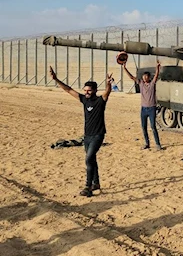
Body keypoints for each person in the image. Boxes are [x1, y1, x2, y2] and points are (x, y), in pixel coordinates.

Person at [49, 65, 112, 198]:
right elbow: (68, 90)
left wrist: (108, 84)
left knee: (88, 158)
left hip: (98, 135)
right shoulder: (84, 100)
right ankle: (96, 183)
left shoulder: (100, 101)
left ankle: (88, 187)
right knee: (92, 159)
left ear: (95, 90)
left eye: (89, 91)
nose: (86, 93)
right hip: (87, 136)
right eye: (85, 90)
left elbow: (107, 92)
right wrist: (56, 79)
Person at [123, 60, 163, 151]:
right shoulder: (140, 83)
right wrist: (125, 68)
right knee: (143, 127)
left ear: (149, 77)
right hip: (143, 109)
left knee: (153, 127)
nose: (144, 78)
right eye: (143, 76)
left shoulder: (152, 84)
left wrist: (157, 67)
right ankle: (147, 143)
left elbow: (156, 76)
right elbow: (131, 77)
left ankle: (158, 144)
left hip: (152, 108)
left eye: (146, 76)